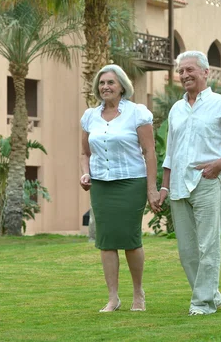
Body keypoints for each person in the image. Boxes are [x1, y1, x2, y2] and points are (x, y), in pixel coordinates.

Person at [159, 51, 221, 316]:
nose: (185, 75)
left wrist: (219, 164)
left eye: (190, 70)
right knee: (187, 250)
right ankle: (213, 295)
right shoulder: (176, 109)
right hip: (177, 185)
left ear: (205, 72)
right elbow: (170, 153)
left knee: (208, 245)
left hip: (208, 181)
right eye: (181, 72)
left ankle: (202, 304)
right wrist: (164, 187)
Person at [80, 64, 161, 313]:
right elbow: (85, 152)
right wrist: (85, 172)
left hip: (131, 183)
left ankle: (138, 294)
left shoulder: (137, 113)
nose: (105, 87)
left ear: (122, 86)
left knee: (130, 239)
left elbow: (149, 152)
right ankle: (113, 298)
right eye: (102, 83)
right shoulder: (89, 116)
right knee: (106, 241)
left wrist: (151, 189)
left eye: (110, 83)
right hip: (101, 186)